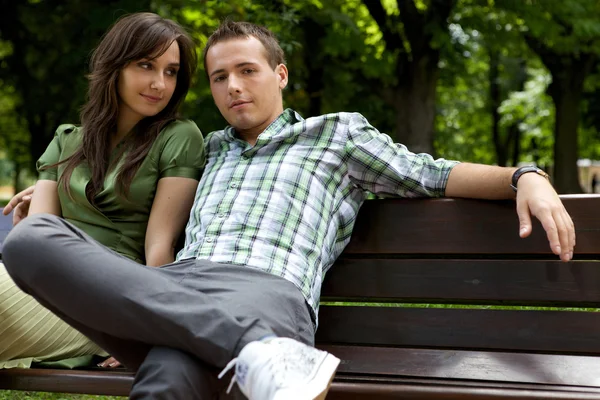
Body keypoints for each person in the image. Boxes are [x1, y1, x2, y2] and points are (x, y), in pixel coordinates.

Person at [3, 20, 574, 400]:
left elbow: (434, 172)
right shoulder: (208, 147)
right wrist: (49, 190)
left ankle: (255, 345)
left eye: (247, 71)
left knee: (169, 381)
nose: (232, 87)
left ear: (279, 74)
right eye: (218, 77)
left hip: (265, 290)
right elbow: (127, 211)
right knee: (28, 241)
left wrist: (527, 176)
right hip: (182, 290)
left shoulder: (336, 135)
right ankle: (259, 353)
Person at [0, 12, 204, 369]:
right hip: (45, 282)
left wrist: (150, 333)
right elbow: (38, 236)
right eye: (146, 65)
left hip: (107, 298)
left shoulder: (178, 137)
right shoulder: (67, 140)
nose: (160, 83)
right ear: (115, 67)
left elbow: (158, 247)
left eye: (170, 72)